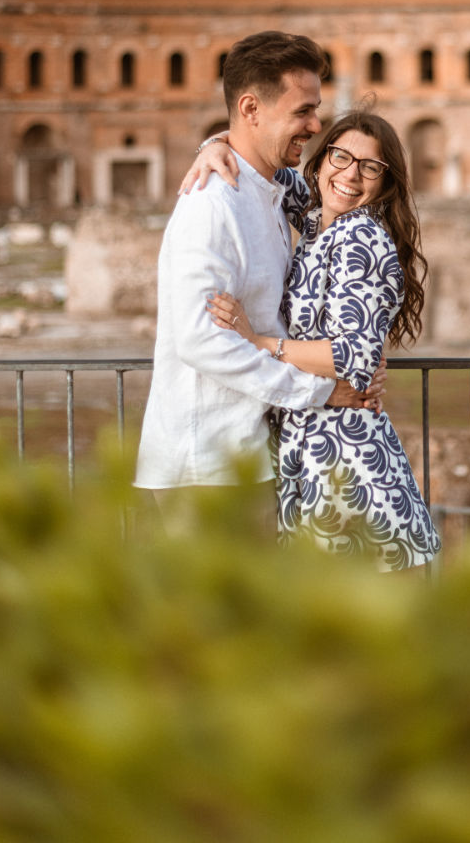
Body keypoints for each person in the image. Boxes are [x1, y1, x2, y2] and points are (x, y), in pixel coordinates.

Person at [134, 32, 386, 530]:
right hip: (205, 462)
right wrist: (318, 391)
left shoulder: (268, 189)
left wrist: (215, 141)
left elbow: (332, 193)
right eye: (303, 111)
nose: (316, 126)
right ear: (251, 108)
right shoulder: (212, 204)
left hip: (242, 453)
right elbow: (200, 340)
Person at [185, 108, 441, 572]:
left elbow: (353, 359)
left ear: (385, 182)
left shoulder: (360, 238)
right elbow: (263, 155)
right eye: (341, 157)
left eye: (371, 167)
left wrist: (256, 341)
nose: (350, 175)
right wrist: (214, 145)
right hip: (314, 451)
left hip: (348, 463)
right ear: (321, 162)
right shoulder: (316, 220)